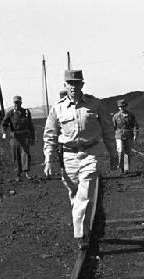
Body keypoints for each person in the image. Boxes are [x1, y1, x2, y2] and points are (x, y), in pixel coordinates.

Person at [43, 70, 118, 249]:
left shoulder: (95, 104)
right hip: (68, 157)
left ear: (82, 85)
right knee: (75, 196)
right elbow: (50, 136)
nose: (73, 87)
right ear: (65, 86)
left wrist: (114, 154)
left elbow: (108, 131)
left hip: (91, 154)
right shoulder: (58, 108)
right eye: (70, 84)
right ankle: (83, 228)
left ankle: (81, 236)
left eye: (77, 83)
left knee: (85, 196)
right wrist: (48, 160)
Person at [2, 95, 35, 181]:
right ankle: (18, 174)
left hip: (25, 137)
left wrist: (33, 138)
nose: (16, 105)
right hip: (14, 138)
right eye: (15, 103)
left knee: (26, 154)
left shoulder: (26, 112)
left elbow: (31, 126)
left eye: (18, 103)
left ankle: (27, 172)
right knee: (16, 156)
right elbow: (3, 124)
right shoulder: (10, 113)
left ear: (21, 103)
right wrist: (4, 132)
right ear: (13, 103)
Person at [112, 99, 139, 174]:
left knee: (127, 152)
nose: (122, 108)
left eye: (123, 106)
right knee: (120, 151)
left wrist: (135, 135)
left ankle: (126, 168)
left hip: (129, 135)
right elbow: (113, 127)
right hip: (119, 135)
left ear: (126, 106)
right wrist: (111, 137)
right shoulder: (116, 116)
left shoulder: (131, 115)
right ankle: (121, 168)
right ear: (118, 107)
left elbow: (135, 125)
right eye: (120, 107)